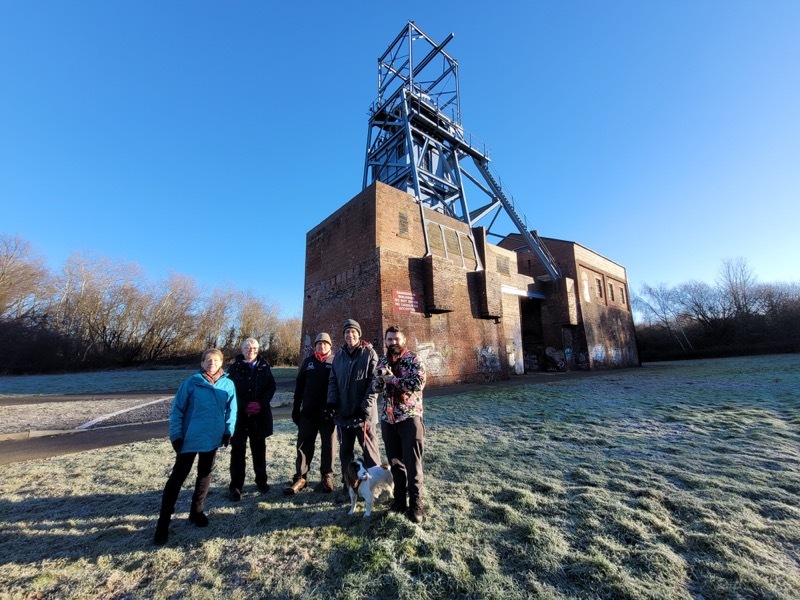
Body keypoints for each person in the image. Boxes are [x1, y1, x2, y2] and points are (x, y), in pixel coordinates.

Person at [154, 348, 237, 545]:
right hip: (190, 438)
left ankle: (196, 511)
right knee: (177, 477)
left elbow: (231, 411)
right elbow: (177, 410)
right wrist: (176, 435)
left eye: (216, 360)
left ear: (221, 363)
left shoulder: (228, 384)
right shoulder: (191, 383)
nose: (212, 363)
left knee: (205, 474)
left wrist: (228, 430)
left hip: (213, 438)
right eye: (208, 360)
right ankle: (163, 522)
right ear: (201, 363)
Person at [372, 325, 427, 523]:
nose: (393, 342)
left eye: (396, 339)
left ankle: (416, 504)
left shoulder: (413, 360)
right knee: (396, 463)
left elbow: (418, 384)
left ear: (403, 340)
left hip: (409, 418)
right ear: (385, 342)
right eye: (389, 339)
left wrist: (393, 380)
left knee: (412, 464)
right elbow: (375, 387)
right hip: (389, 420)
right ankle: (399, 500)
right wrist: (379, 377)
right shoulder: (383, 360)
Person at [326, 318, 382, 501]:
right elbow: (333, 381)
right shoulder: (339, 356)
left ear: (359, 334)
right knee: (346, 453)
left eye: (353, 332)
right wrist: (332, 403)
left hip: (363, 415)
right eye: (346, 333)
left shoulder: (369, 354)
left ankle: (375, 487)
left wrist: (365, 408)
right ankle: (349, 486)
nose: (350, 335)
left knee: (370, 451)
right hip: (344, 414)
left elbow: (374, 384)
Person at [284, 332, 336, 495]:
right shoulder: (308, 362)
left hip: (327, 413)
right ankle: (300, 477)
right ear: (315, 346)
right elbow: (299, 387)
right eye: (319, 344)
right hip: (308, 412)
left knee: (329, 445)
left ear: (330, 346)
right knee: (304, 445)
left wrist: (333, 408)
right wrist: (296, 408)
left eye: (325, 344)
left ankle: (326, 475)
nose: (322, 346)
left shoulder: (335, 362)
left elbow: (339, 387)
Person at [226, 337, 276, 501]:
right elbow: (230, 389)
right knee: (238, 451)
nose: (251, 351)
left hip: (259, 416)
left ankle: (261, 481)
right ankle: (236, 486)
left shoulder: (264, 366)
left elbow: (271, 386)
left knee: (259, 450)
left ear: (258, 350)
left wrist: (260, 404)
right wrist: (243, 405)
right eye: (247, 348)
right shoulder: (234, 368)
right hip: (240, 416)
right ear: (242, 350)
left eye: (254, 348)